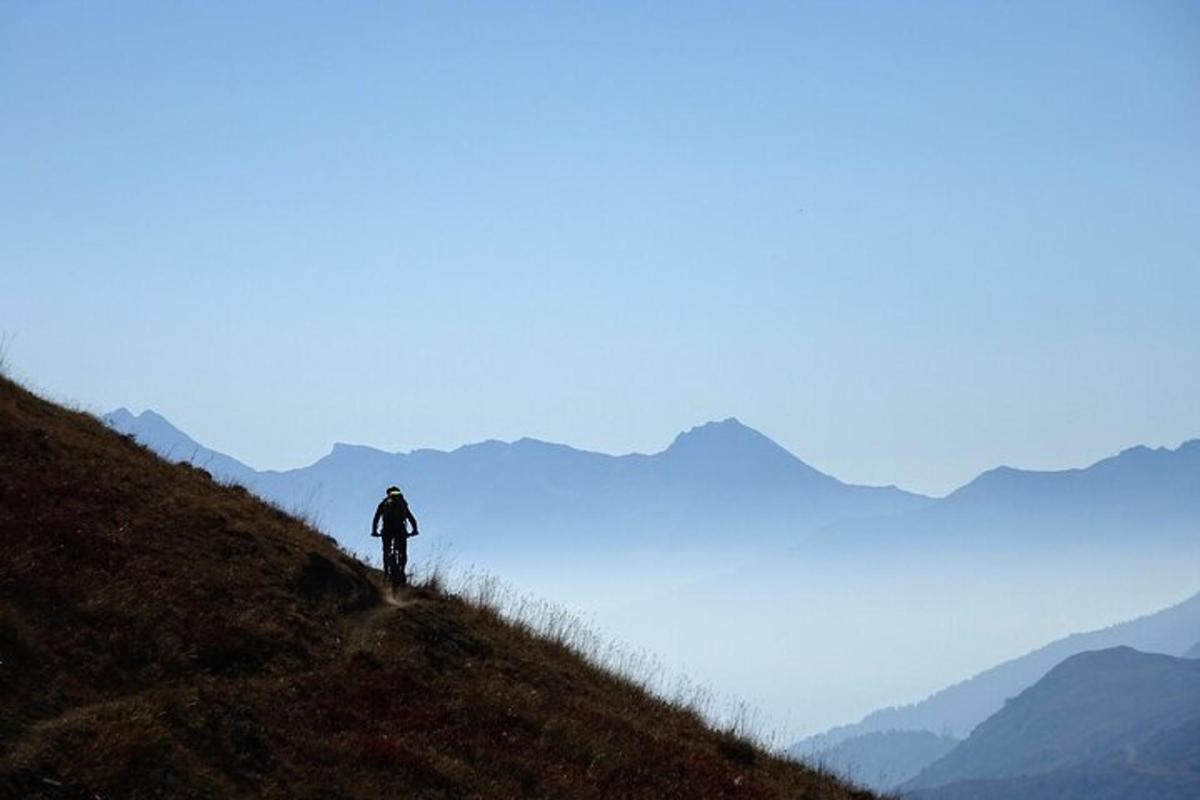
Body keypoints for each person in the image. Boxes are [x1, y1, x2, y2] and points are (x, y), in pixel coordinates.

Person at [371, 485, 419, 587]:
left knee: (386, 551)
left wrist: (374, 531)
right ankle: (401, 569)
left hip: (387, 530)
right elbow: (411, 518)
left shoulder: (384, 503)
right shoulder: (403, 504)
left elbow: (376, 519)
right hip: (400, 530)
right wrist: (414, 530)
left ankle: (386, 573)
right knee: (402, 552)